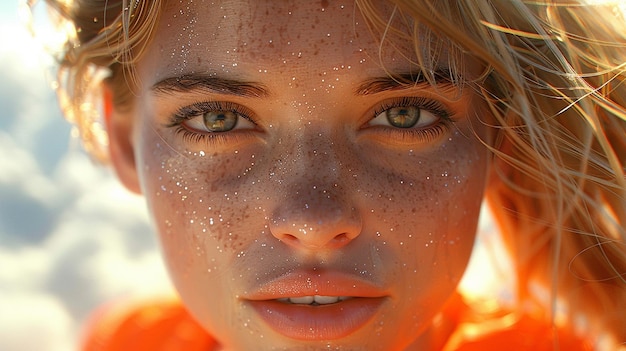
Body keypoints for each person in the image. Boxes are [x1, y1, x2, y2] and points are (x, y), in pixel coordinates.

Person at [38, 0, 625, 350]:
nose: (314, 221)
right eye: (217, 118)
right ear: (122, 141)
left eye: (404, 114)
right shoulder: (132, 342)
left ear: (499, 136)